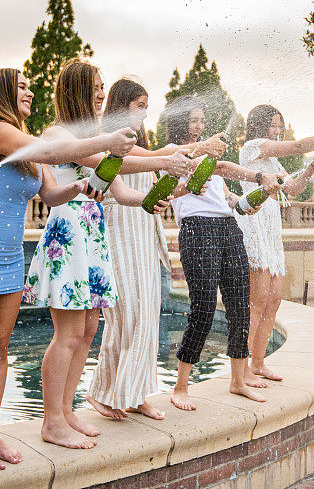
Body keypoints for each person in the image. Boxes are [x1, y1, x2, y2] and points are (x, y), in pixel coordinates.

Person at [0, 68, 137, 471]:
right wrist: (108, 141)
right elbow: (54, 152)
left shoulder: (26, 144)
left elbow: (51, 192)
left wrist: (78, 189)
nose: (30, 92)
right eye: (21, 86)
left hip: (10, 257)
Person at [23, 60, 175, 449]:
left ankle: (68, 411)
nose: (101, 93)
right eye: (94, 86)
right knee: (68, 334)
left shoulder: (97, 136)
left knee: (89, 330)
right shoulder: (60, 132)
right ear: (74, 88)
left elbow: (121, 192)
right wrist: (164, 160)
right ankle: (51, 420)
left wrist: (154, 200)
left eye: (103, 86)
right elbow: (94, 160)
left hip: (94, 233)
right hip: (69, 231)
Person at [85, 79, 226, 421]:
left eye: (147, 105)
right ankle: (103, 393)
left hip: (145, 235)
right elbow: (140, 164)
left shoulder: (139, 142)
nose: (145, 112)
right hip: (120, 235)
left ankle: (134, 394)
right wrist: (199, 146)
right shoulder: (117, 144)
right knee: (128, 317)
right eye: (139, 105)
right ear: (122, 106)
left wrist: (180, 190)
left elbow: (150, 194)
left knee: (147, 315)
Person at [164, 96, 283, 411]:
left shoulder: (207, 156)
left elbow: (229, 198)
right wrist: (258, 176)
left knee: (240, 309)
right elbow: (219, 168)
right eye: (193, 120)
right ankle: (180, 387)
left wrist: (246, 202)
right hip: (197, 231)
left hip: (229, 231)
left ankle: (238, 381)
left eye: (202, 120)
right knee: (203, 309)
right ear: (179, 124)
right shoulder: (171, 156)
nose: (199, 126)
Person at [235, 104, 314, 385]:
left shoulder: (273, 162)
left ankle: (259, 363)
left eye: (279, 126)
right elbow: (299, 145)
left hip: (272, 226)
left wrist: (313, 167)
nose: (277, 131)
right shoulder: (253, 148)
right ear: (260, 127)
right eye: (273, 126)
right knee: (258, 299)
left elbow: (292, 189)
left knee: (274, 298)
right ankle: (242, 370)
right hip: (254, 224)